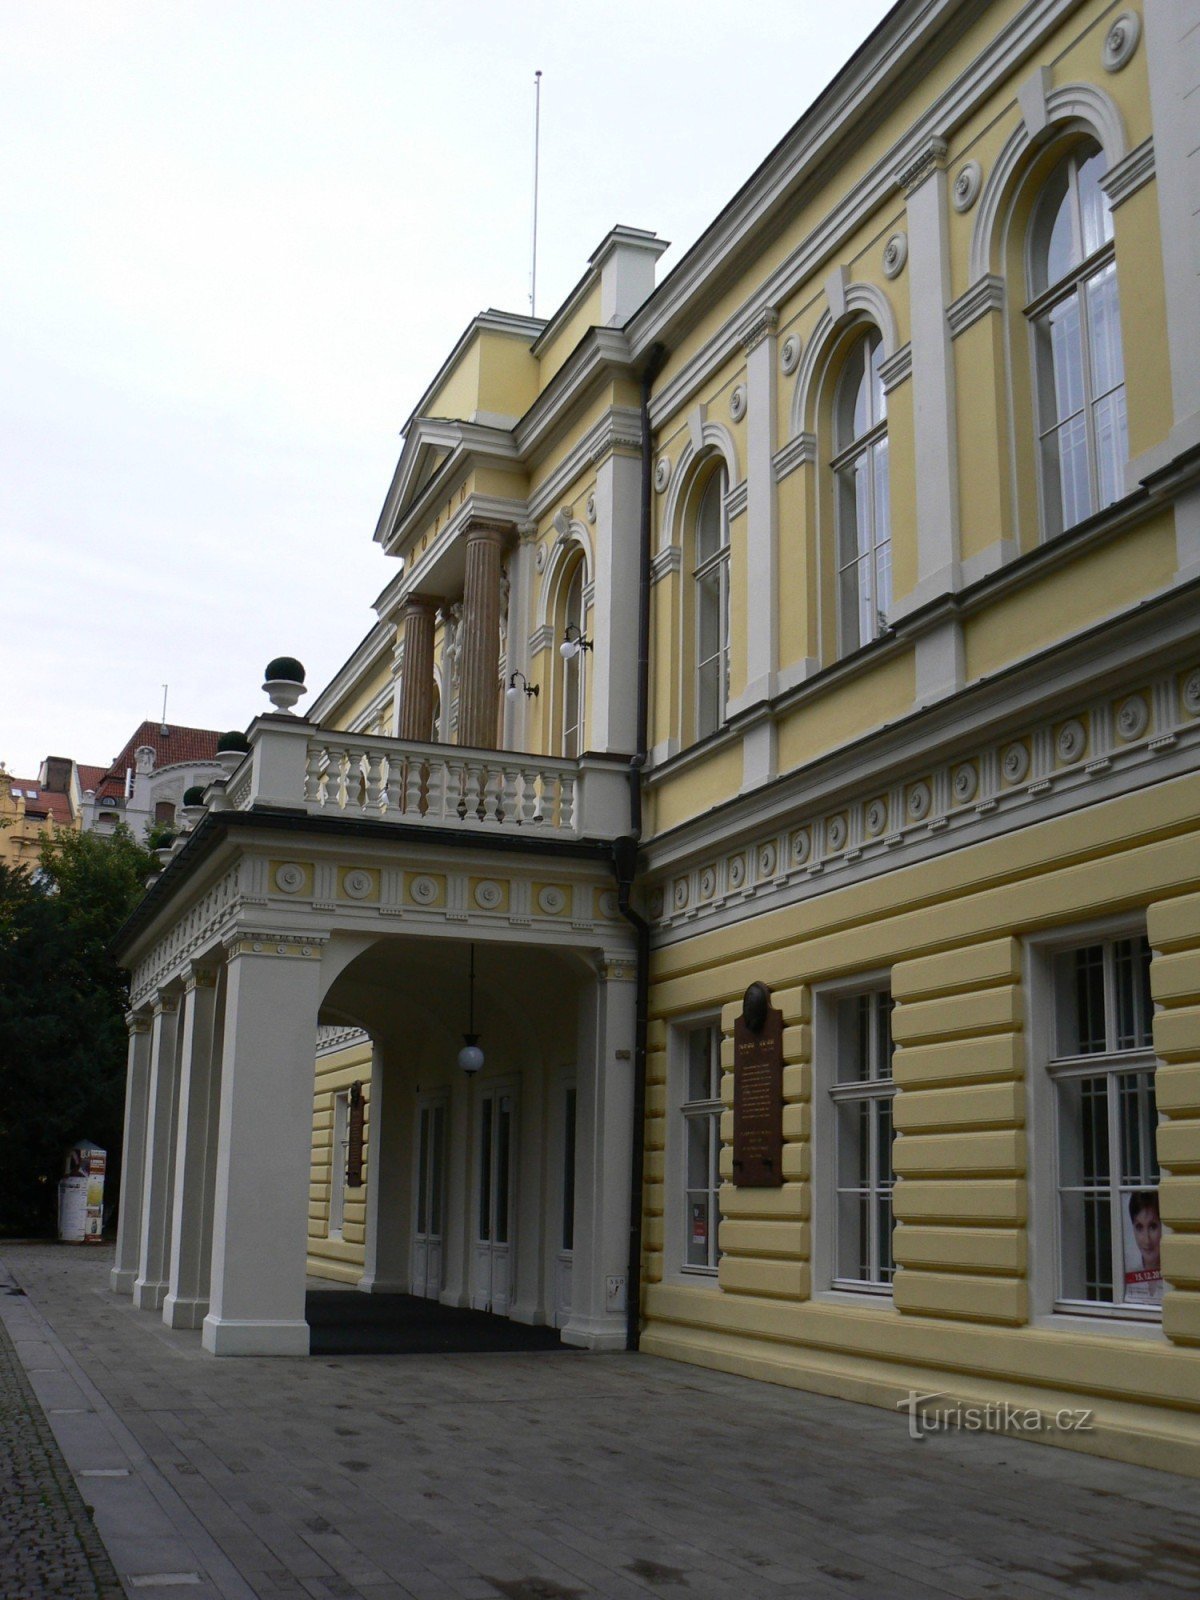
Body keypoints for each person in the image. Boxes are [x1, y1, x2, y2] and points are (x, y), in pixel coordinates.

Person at [1124, 1190, 1163, 1305]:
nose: (1147, 1240)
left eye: (1153, 1226)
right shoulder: (1129, 1277)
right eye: (1139, 1227)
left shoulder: (1176, 1274)